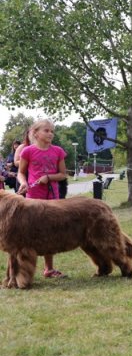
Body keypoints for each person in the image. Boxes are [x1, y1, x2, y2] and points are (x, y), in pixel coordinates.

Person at [16, 119, 68, 278]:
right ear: (35, 133)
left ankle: (49, 269)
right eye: (46, 130)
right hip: (33, 198)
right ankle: (25, 269)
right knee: (30, 232)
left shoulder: (58, 151)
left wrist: (48, 177)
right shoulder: (27, 151)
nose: (50, 134)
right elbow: (21, 172)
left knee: (49, 232)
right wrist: (23, 183)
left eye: (52, 131)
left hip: (53, 198)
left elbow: (62, 174)